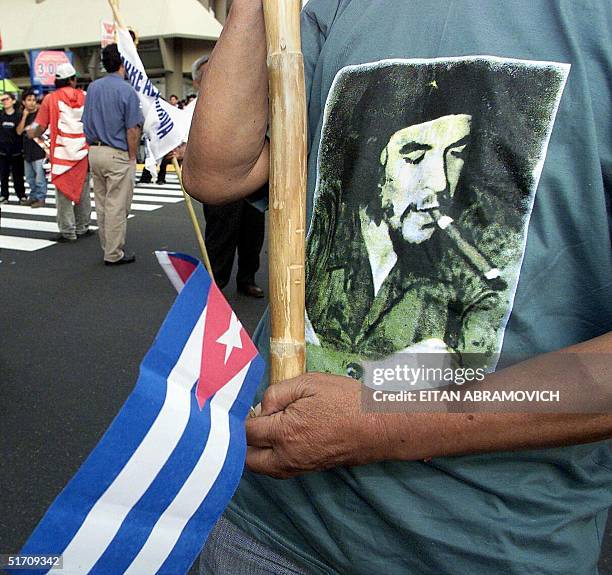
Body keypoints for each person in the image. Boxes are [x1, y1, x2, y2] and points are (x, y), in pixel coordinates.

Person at [184, 2, 612, 574]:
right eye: (414, 155)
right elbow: (217, 172)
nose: (438, 183)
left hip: (479, 546)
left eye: (457, 155)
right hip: (267, 520)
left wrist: (382, 415)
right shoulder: (336, 8)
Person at [189, 54, 266, 298]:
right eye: (208, 74)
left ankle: (247, 278)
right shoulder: (196, 108)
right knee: (220, 235)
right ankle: (215, 285)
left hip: (251, 176)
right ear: (198, 82)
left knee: (253, 233)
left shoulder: (246, 100)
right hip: (219, 180)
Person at [82, 43, 143, 265]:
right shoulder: (127, 89)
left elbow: (86, 122)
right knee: (117, 205)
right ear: (123, 62)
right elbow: (132, 128)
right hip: (117, 152)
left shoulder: (93, 88)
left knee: (102, 203)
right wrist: (132, 156)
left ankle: (108, 247)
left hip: (94, 150)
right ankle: (113, 253)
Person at [27, 63, 91, 242]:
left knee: (63, 194)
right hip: (82, 152)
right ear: (73, 80)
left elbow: (40, 126)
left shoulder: (50, 99)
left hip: (61, 154)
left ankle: (68, 232)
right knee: (82, 191)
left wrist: (31, 132)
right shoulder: (85, 96)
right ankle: (83, 227)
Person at [17, 89, 48, 208]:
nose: (32, 103)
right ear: (24, 102)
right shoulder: (21, 115)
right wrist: (24, 117)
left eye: (34, 100)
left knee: (40, 177)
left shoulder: (40, 114)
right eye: (29, 100)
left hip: (39, 150)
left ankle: (41, 198)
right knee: (30, 177)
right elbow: (19, 131)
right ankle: (33, 196)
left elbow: (46, 132)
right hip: (27, 151)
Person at [0, 92, 27, 205]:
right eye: (2, 100)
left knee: (18, 175)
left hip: (16, 150)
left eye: (6, 99)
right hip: (2, 150)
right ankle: (4, 195)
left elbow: (20, 132)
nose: (4, 101)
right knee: (3, 175)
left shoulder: (19, 115)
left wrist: (24, 116)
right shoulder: (0, 115)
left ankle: (21, 195)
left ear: (13, 101)